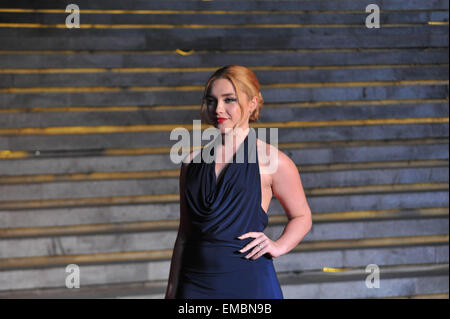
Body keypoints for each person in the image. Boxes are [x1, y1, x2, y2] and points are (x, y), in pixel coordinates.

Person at [165, 65, 312, 299]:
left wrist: (278, 246)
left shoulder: (273, 161)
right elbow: (184, 234)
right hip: (194, 285)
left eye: (229, 100)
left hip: (249, 285)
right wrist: (172, 291)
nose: (218, 109)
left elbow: (302, 217)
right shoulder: (191, 162)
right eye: (211, 101)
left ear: (252, 103)